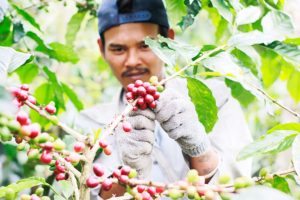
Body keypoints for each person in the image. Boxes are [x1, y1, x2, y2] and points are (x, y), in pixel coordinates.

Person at [75, 0, 253, 199]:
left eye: (145, 45)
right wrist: (129, 176)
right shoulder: (88, 126)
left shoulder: (217, 100)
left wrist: (200, 151)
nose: (132, 61)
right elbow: (82, 192)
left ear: (168, 41)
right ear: (102, 49)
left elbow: (240, 187)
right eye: (118, 49)